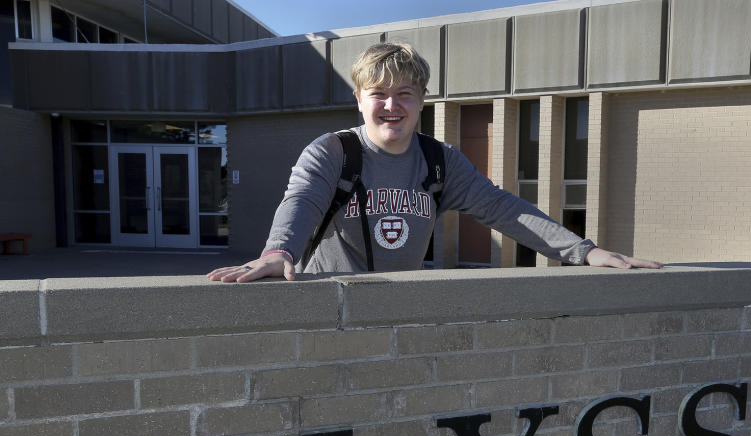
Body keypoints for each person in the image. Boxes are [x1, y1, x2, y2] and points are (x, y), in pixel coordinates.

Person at [208, 43, 662, 283]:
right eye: (379, 94)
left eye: (405, 93)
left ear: (422, 100)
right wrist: (277, 253)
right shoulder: (333, 152)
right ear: (359, 100)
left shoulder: (439, 161)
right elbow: (301, 201)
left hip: (400, 314)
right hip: (330, 310)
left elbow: (505, 210)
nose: (392, 105)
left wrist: (585, 252)